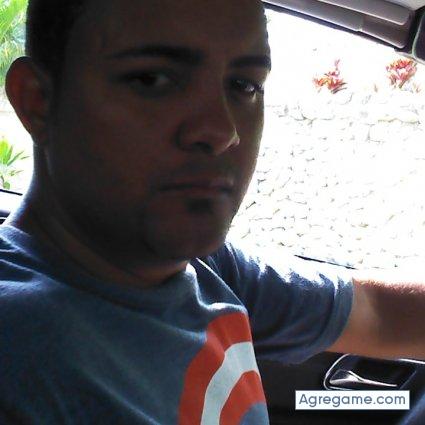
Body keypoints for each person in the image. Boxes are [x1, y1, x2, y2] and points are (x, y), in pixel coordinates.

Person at [0, 0, 424, 423]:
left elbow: (375, 312)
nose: (223, 131)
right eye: (152, 79)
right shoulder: (20, 356)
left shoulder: (202, 267)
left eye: (243, 85)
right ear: (37, 100)